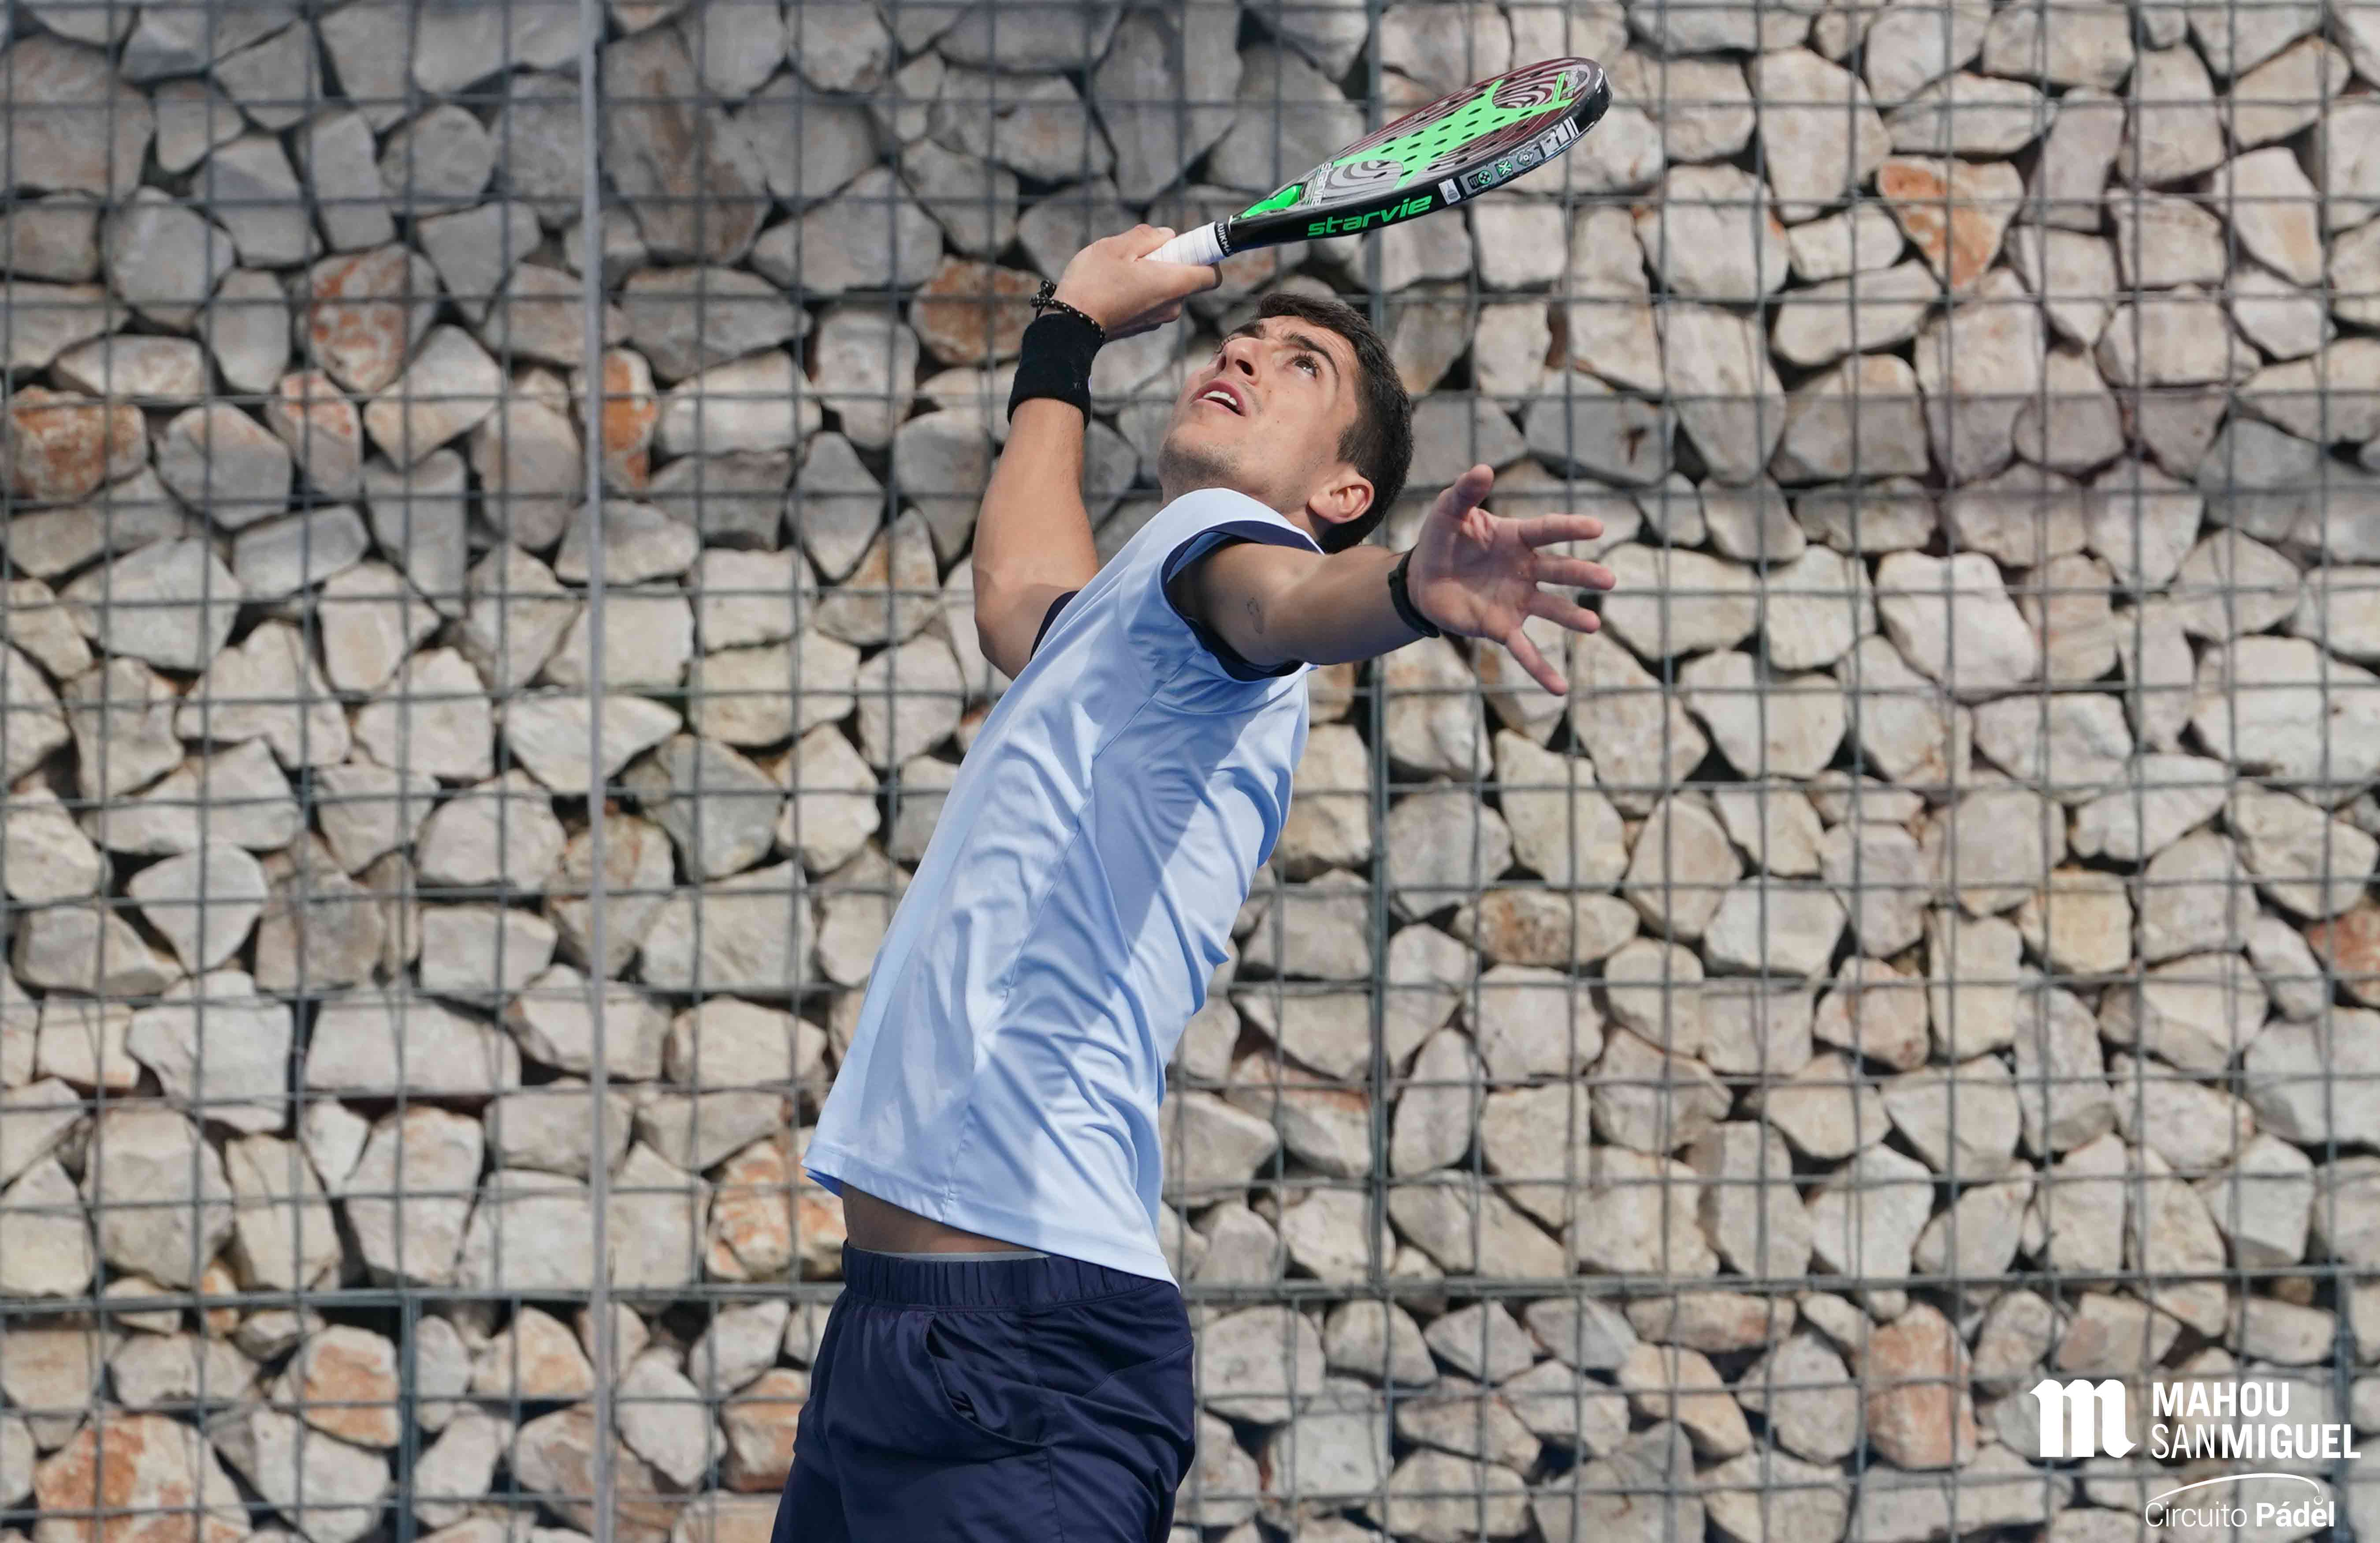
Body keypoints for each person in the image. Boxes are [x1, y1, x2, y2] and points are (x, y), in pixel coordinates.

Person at [774, 225, 1618, 1542]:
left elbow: (1286, 605)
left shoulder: (1235, 544)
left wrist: (1409, 588)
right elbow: (1015, 594)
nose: (1247, 356)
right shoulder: (1133, 624)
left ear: (1343, 489)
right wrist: (1065, 335)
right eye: (1246, 340)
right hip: (905, 1334)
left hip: (1020, 1363)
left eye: (1302, 366)